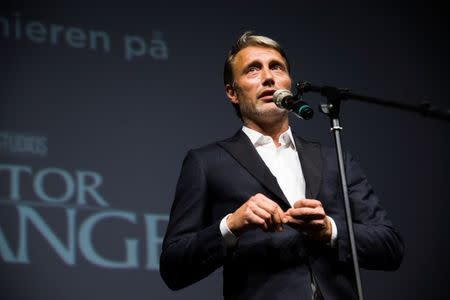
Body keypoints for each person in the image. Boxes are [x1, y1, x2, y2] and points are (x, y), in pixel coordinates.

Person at [159, 31, 404, 300]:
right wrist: (231, 225)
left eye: (276, 67)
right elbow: (173, 266)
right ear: (232, 92)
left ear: (289, 83)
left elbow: (389, 247)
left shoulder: (335, 157)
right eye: (252, 70)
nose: (268, 77)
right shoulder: (206, 162)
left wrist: (329, 230)